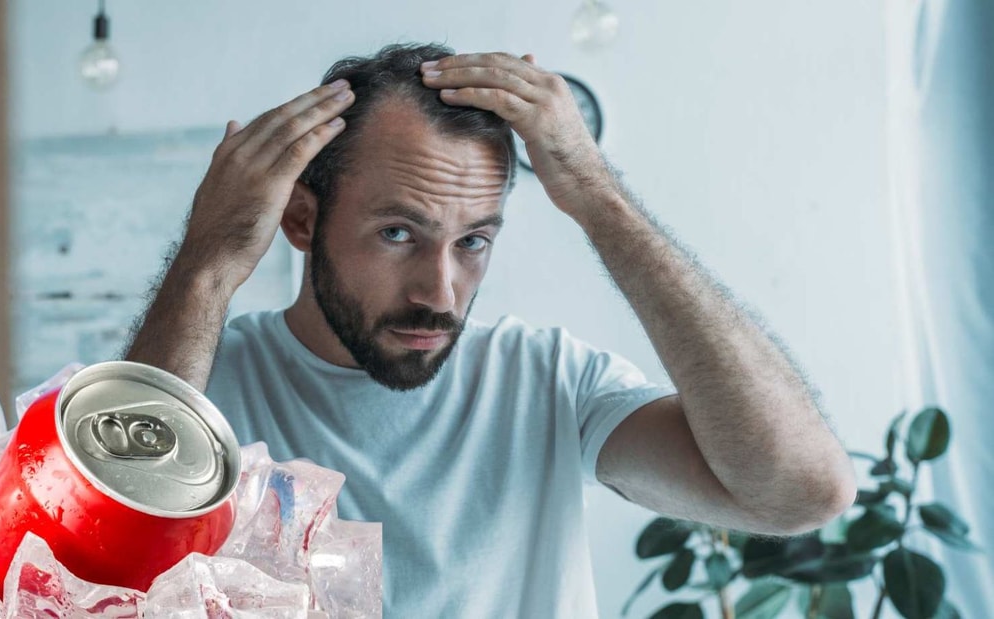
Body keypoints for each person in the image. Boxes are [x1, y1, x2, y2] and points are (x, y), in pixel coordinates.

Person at [125, 42, 857, 618]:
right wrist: (206, 262)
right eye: (397, 233)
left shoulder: (550, 383)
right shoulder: (202, 383)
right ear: (301, 221)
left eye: (473, 240)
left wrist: (598, 198)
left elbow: (801, 492)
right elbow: (101, 562)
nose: (439, 292)